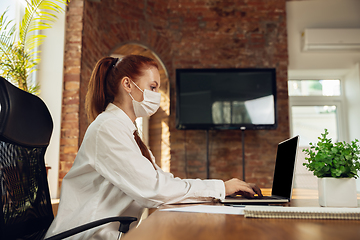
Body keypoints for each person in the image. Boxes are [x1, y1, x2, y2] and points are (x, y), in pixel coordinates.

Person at [45, 55, 262, 240]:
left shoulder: (126, 131)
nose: (156, 95)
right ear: (127, 84)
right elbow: (154, 190)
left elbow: (162, 182)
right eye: (152, 87)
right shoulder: (107, 128)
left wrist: (221, 190)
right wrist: (221, 188)